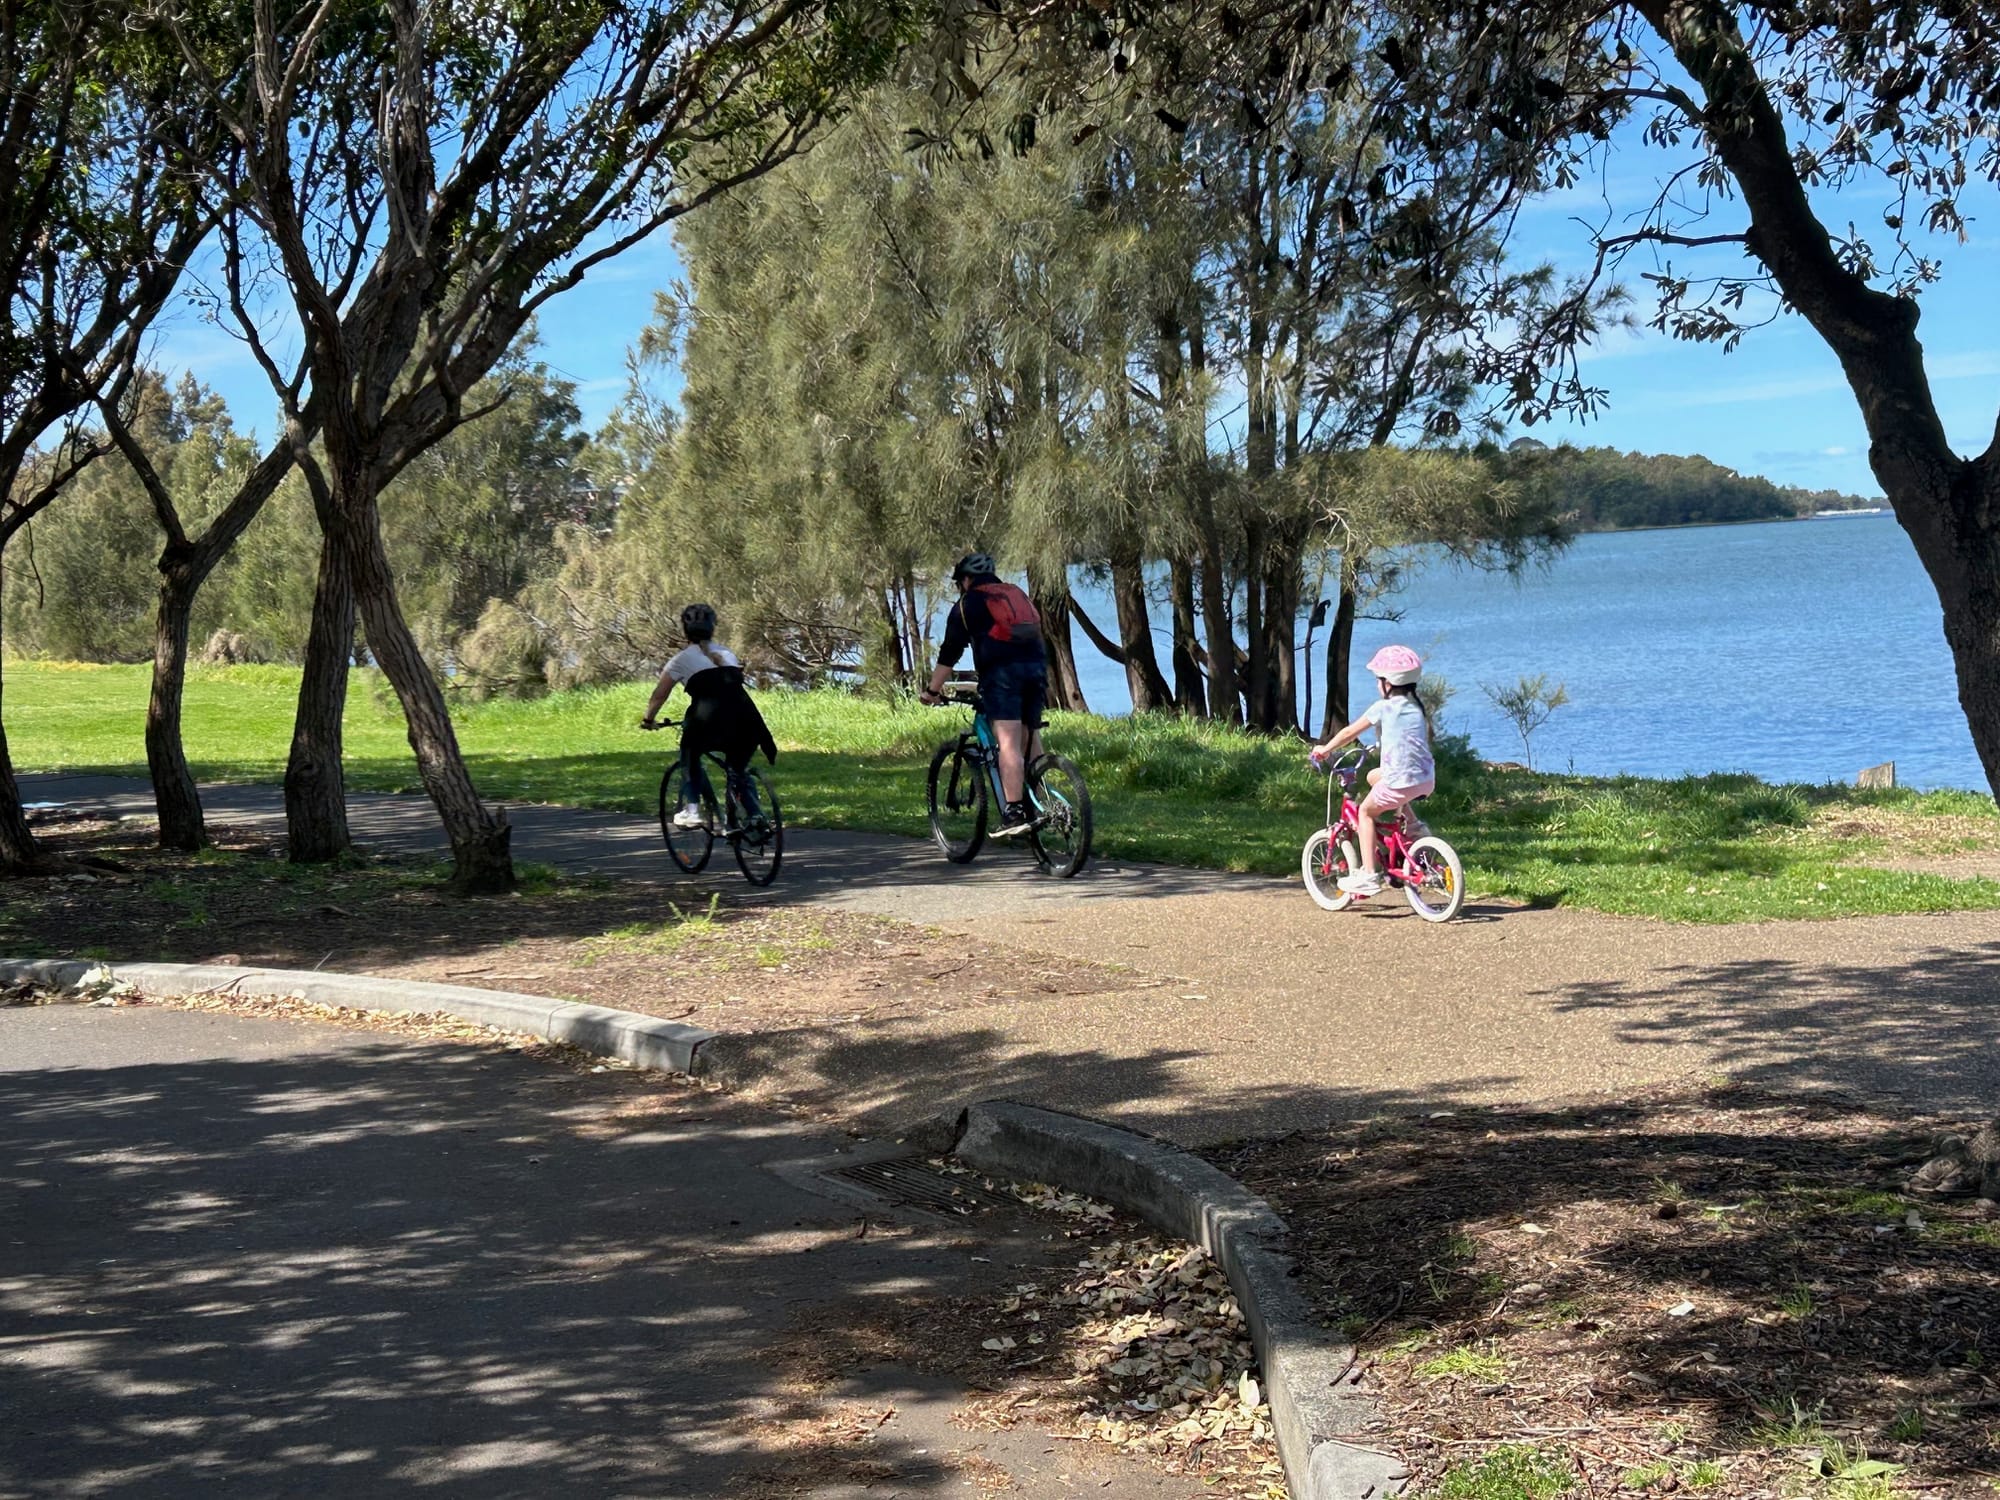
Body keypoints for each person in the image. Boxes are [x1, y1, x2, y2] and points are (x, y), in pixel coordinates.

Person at [920, 552, 1048, 837]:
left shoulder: (967, 604)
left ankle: (1014, 812)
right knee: (1031, 737)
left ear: (965, 580)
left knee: (1009, 744)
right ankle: (1042, 805)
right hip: (1037, 669)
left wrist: (932, 691)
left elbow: (950, 653)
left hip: (1002, 675)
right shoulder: (1015, 594)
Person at [1310, 643, 1435, 898]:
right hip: (1425, 778)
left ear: (1387, 683)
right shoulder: (1417, 708)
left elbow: (1348, 732)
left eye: (1379, 680)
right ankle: (1413, 826)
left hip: (1400, 781)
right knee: (1372, 776)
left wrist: (1325, 749)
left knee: (1365, 812)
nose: (1377, 685)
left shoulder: (1382, 708)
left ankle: (1368, 874)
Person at [640, 603, 777, 830]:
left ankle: (692, 810)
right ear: (713, 627)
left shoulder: (680, 660)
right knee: (738, 770)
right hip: (747, 720)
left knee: (690, 755)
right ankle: (754, 816)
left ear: (685, 629)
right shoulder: (727, 654)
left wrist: (648, 720)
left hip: (708, 721)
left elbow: (659, 695)